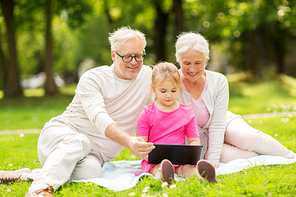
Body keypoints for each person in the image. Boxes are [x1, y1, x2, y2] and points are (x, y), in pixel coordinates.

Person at [0, 27, 155, 197]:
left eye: (139, 56)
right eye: (127, 56)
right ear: (113, 55)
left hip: (94, 156)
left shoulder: (149, 77)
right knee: (79, 141)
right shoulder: (93, 78)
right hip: (61, 135)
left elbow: (173, 90)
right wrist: (129, 141)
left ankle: (26, 175)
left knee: (90, 174)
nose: (134, 62)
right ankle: (40, 189)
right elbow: (99, 117)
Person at [175, 32, 296, 168]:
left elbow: (218, 124)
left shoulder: (218, 81)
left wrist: (213, 161)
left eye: (198, 63)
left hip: (224, 125)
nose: (192, 69)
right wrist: (209, 157)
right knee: (248, 157)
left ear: (206, 60)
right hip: (199, 140)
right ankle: (264, 155)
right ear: (178, 60)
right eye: (186, 63)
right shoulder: (172, 83)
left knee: (251, 138)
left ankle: (290, 157)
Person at [136, 62, 217, 184]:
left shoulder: (187, 113)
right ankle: (164, 175)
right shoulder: (147, 113)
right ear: (154, 88)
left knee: (187, 168)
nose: (169, 95)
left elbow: (194, 140)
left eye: (173, 90)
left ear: (179, 87)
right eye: (163, 91)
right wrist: (148, 156)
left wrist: (191, 155)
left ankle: (203, 176)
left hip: (179, 160)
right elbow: (140, 144)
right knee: (158, 168)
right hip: (154, 162)